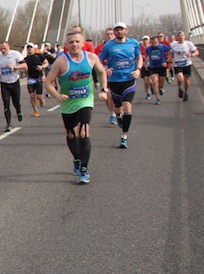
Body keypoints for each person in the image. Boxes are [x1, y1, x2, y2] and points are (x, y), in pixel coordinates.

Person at [44, 31, 108, 184]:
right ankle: (77, 159)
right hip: (68, 104)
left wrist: (104, 89)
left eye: (77, 41)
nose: (74, 44)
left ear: (83, 43)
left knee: (84, 132)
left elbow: (101, 72)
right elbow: (47, 82)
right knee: (72, 135)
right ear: (66, 45)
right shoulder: (61, 61)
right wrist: (57, 95)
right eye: (71, 42)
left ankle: (84, 169)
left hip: (85, 101)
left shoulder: (91, 57)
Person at [99, 22, 143, 148]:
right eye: (117, 30)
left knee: (127, 106)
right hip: (114, 80)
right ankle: (118, 115)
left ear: (126, 31)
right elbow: (99, 61)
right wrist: (105, 69)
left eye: (121, 29)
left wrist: (138, 69)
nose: (119, 31)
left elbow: (139, 57)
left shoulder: (133, 43)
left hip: (129, 79)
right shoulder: (108, 45)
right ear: (114, 32)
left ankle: (124, 136)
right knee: (118, 108)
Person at [0, 40, 27, 131]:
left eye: (4, 49)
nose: (3, 51)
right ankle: (8, 124)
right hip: (4, 83)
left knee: (16, 102)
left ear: (8, 47)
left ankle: (18, 110)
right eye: (1, 49)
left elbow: (24, 65)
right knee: (6, 104)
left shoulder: (15, 54)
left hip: (14, 81)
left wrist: (14, 67)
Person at [23, 42, 54, 116]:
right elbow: (24, 68)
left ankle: (41, 99)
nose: (29, 49)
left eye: (31, 47)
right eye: (28, 48)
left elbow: (46, 63)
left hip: (39, 78)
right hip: (30, 79)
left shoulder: (39, 56)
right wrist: (25, 71)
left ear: (34, 48)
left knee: (38, 96)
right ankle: (35, 111)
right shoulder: (25, 59)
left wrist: (42, 67)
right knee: (32, 96)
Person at [169, 31, 200, 102]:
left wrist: (191, 55)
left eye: (182, 35)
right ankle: (180, 88)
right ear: (177, 37)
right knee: (180, 79)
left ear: (184, 36)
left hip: (187, 64)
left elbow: (196, 52)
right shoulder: (174, 45)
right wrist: (169, 60)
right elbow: (171, 53)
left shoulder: (188, 44)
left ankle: (186, 93)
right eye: (179, 36)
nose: (181, 37)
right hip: (177, 64)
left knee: (186, 80)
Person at [145, 34, 171, 103]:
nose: (154, 44)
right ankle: (158, 99)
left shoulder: (163, 47)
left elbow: (170, 53)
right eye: (152, 43)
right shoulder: (148, 49)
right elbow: (146, 56)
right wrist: (146, 63)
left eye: (155, 42)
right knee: (155, 82)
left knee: (161, 84)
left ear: (158, 41)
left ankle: (161, 88)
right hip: (153, 67)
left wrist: (167, 61)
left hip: (161, 66)